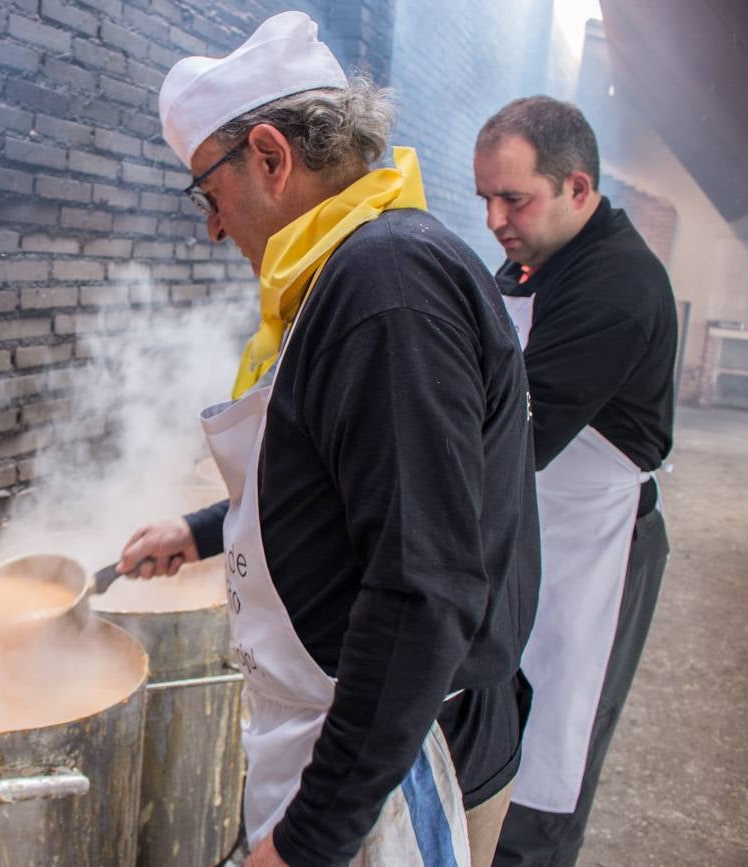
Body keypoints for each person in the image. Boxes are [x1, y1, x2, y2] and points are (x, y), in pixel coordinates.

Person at [118, 12, 540, 867]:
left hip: (407, 750)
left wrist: (307, 841)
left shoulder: (385, 287)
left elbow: (423, 588)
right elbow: (341, 480)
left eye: (209, 192)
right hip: (354, 730)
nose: (212, 224)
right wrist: (199, 532)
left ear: (271, 156)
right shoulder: (349, 269)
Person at [472, 96, 676, 867]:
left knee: (552, 751)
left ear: (578, 189)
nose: (495, 218)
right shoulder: (534, 260)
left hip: (597, 545)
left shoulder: (616, 287)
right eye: (485, 198)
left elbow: (509, 442)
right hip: (530, 527)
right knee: (500, 727)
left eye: (514, 198)